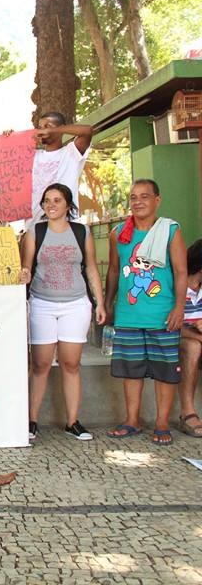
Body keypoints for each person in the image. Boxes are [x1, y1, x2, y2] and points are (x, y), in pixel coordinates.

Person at [21, 183, 105, 442]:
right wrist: (22, 275)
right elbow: (26, 266)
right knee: (40, 364)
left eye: (57, 200)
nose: (51, 205)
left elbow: (91, 268)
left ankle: (73, 421)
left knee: (71, 363)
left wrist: (100, 303)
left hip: (75, 304)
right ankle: (31, 421)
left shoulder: (82, 231)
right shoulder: (36, 231)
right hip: (42, 303)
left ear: (68, 205)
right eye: (47, 200)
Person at [105, 179, 187, 445]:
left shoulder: (170, 230)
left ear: (157, 200)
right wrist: (108, 302)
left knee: (164, 371)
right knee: (131, 370)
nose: (138, 201)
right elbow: (115, 270)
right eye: (133, 197)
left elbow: (181, 271)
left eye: (144, 196)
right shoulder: (119, 232)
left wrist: (179, 307)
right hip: (128, 314)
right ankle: (132, 420)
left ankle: (162, 423)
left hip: (162, 314)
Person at [30, 112, 93, 222]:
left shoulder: (71, 153)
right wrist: (9, 137)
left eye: (47, 126)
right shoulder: (33, 156)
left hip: (67, 226)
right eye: (40, 127)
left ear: (61, 129)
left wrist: (53, 130)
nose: (42, 130)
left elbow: (87, 131)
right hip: (35, 226)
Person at [177, 238, 202, 437]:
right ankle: (187, 413)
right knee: (193, 347)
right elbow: (168, 324)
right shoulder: (176, 285)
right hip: (179, 338)